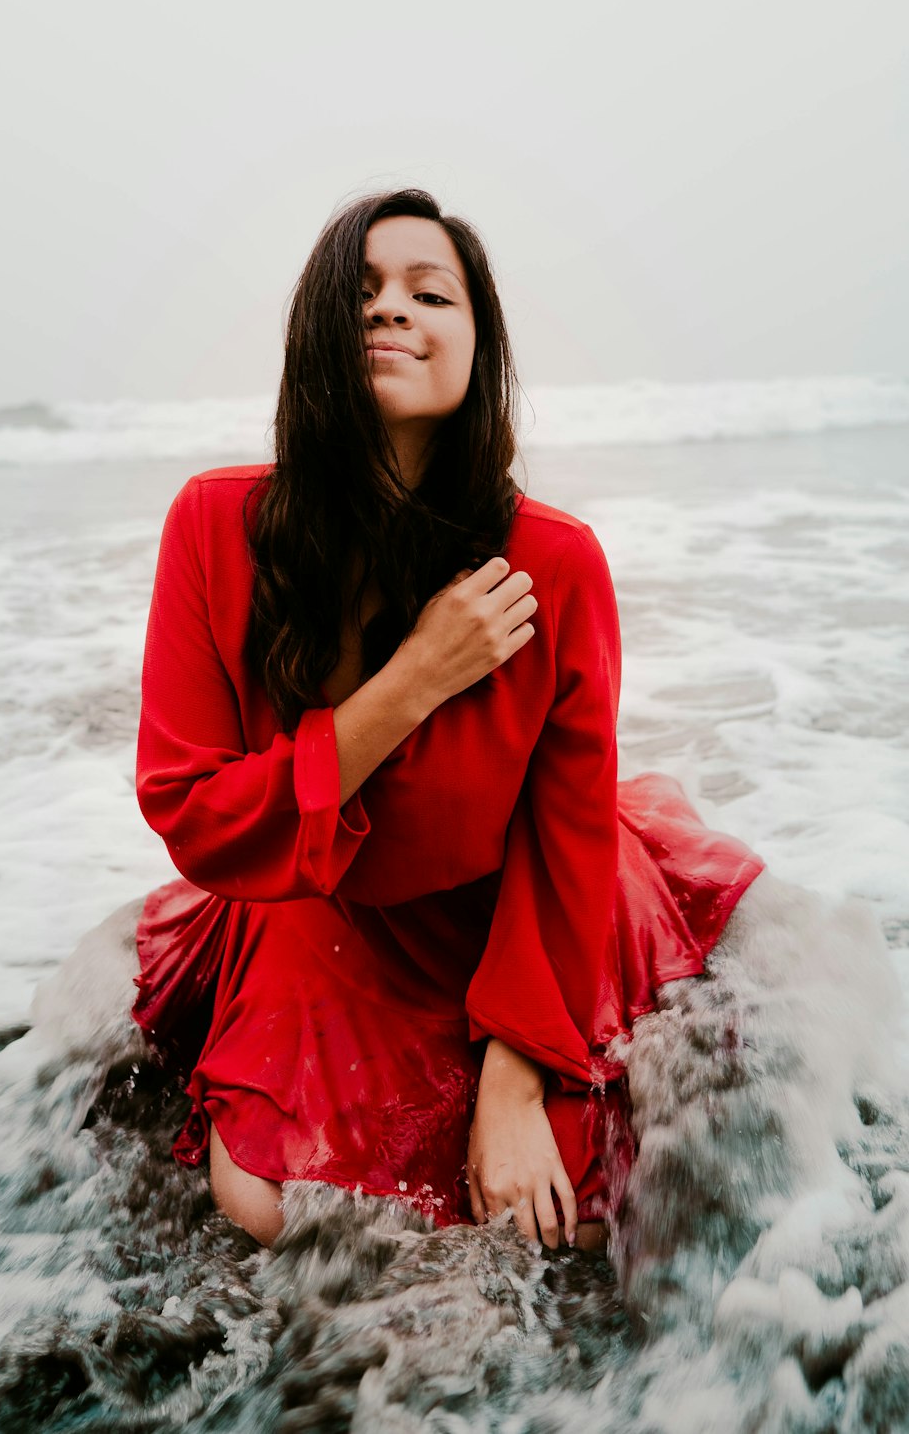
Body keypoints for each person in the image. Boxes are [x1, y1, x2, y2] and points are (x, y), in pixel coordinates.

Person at [131, 188, 765, 1252]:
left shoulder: (554, 561)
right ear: (314, 338)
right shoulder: (211, 526)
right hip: (318, 906)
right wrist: (410, 682)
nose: (391, 311)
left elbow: (565, 828)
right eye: (361, 293)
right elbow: (192, 813)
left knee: (559, 1201)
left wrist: (514, 1073)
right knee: (273, 1207)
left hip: (508, 903)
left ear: (479, 348)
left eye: (430, 293)